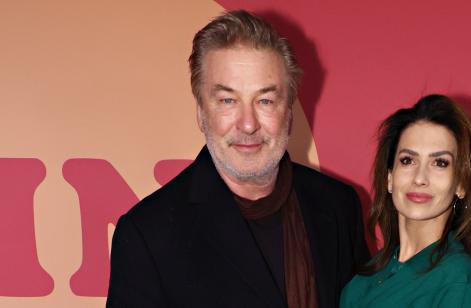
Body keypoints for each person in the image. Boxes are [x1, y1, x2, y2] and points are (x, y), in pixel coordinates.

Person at [106, 10, 368, 308]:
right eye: (228, 100)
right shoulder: (148, 235)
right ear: (201, 114)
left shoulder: (337, 206)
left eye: (265, 101)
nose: (248, 124)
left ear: (289, 113)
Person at [340, 94, 471, 307]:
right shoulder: (363, 279)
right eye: (408, 160)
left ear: (461, 184)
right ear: (390, 178)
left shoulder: (456, 278)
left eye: (440, 163)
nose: (420, 178)